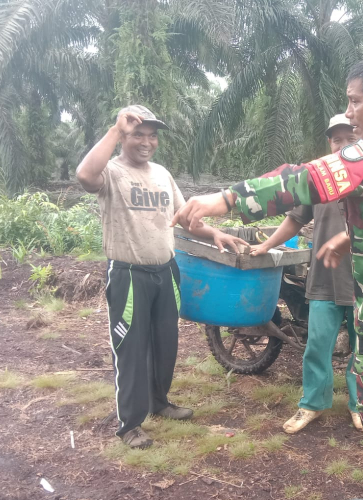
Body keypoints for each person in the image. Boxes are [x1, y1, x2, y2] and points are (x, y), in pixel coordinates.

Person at [172, 58, 363, 500]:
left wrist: (227, 198)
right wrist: (351, 238)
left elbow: (310, 179)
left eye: (355, 101)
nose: (348, 112)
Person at [76, 105, 246, 449]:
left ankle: (159, 402)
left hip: (166, 272)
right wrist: (115, 130)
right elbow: (83, 175)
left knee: (165, 343)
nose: (146, 141)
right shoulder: (111, 172)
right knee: (131, 348)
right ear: (124, 136)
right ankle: (130, 424)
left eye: (152, 135)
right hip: (129, 273)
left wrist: (214, 233)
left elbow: (185, 219)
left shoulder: (161, 175)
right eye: (138, 133)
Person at [251, 114, 362, 434]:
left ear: (360, 141)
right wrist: (266, 246)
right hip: (324, 280)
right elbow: (294, 221)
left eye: (349, 139)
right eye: (336, 139)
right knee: (317, 346)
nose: (342, 145)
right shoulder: (319, 178)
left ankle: (361, 406)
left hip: (362, 281)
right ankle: (312, 404)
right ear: (329, 142)